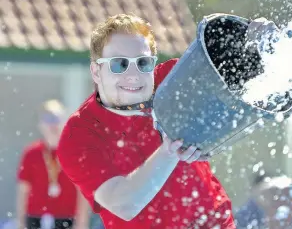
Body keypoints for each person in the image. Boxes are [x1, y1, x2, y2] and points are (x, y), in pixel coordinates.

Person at [56, 13, 276, 229]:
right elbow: (124, 204)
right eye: (119, 64)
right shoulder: (79, 135)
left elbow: (239, 73)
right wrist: (168, 151)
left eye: (143, 63)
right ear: (96, 71)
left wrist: (255, 44)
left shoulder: (172, 80)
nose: (133, 75)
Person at [16, 99, 90, 229]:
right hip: (35, 218)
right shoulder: (31, 153)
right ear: (40, 124)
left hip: (66, 219)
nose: (52, 125)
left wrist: (82, 222)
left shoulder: (76, 153)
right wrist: (21, 222)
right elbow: (23, 190)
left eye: (56, 118)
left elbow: (83, 191)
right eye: (48, 119)